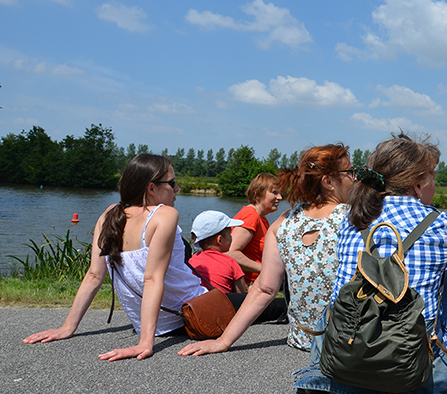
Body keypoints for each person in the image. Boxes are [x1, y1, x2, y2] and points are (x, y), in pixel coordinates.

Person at [293, 133, 447, 394]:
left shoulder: (352, 218)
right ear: (418, 184)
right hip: (408, 366)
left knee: (346, 290)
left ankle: (350, 386)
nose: (434, 184)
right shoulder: (442, 225)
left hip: (344, 355)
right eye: (433, 177)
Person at [23, 153, 207, 361]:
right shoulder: (165, 215)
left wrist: (67, 327)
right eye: (172, 183)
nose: (177, 189)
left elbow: (94, 275)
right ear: (152, 188)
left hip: (153, 325)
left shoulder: (109, 215)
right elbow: (152, 278)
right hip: (192, 313)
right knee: (248, 304)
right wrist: (145, 345)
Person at [179, 144, 354, 355]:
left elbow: (264, 289)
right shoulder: (355, 218)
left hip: (303, 340)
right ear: (328, 182)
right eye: (350, 172)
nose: (355, 179)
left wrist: (224, 341)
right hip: (347, 343)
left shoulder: (283, 222)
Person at [228, 173, 282, 285]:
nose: (280, 197)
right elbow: (231, 253)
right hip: (250, 284)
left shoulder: (262, 218)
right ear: (257, 194)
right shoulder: (250, 216)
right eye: (274, 192)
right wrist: (265, 269)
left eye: (280, 193)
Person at [189, 210, 248, 294]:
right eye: (229, 234)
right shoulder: (230, 262)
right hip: (222, 305)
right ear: (219, 240)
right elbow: (241, 294)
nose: (231, 237)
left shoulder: (192, 260)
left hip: (197, 304)